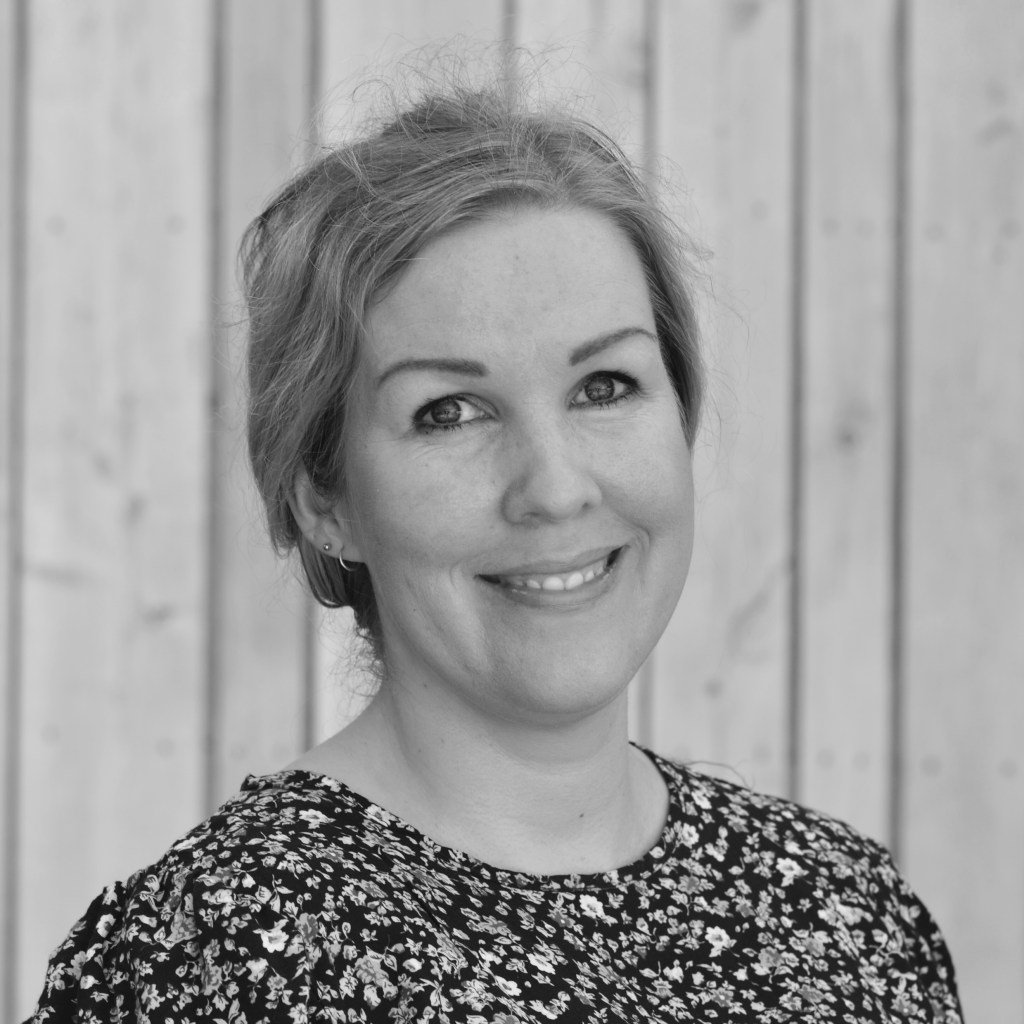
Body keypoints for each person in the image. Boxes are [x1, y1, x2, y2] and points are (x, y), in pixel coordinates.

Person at [27, 68, 962, 1024]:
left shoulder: (848, 912)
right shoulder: (218, 952)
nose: (554, 488)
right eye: (450, 412)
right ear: (323, 497)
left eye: (604, 387)